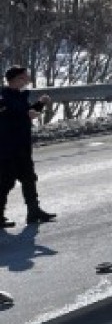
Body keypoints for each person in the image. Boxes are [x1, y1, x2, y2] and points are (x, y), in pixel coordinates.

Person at [0, 67, 56, 227]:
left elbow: (26, 112)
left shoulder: (19, 95)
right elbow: (8, 119)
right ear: (15, 79)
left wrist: (40, 104)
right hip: (7, 148)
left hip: (22, 145)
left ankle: (34, 212)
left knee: (29, 178)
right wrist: (26, 115)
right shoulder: (3, 97)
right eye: (24, 78)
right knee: (6, 182)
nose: (28, 80)